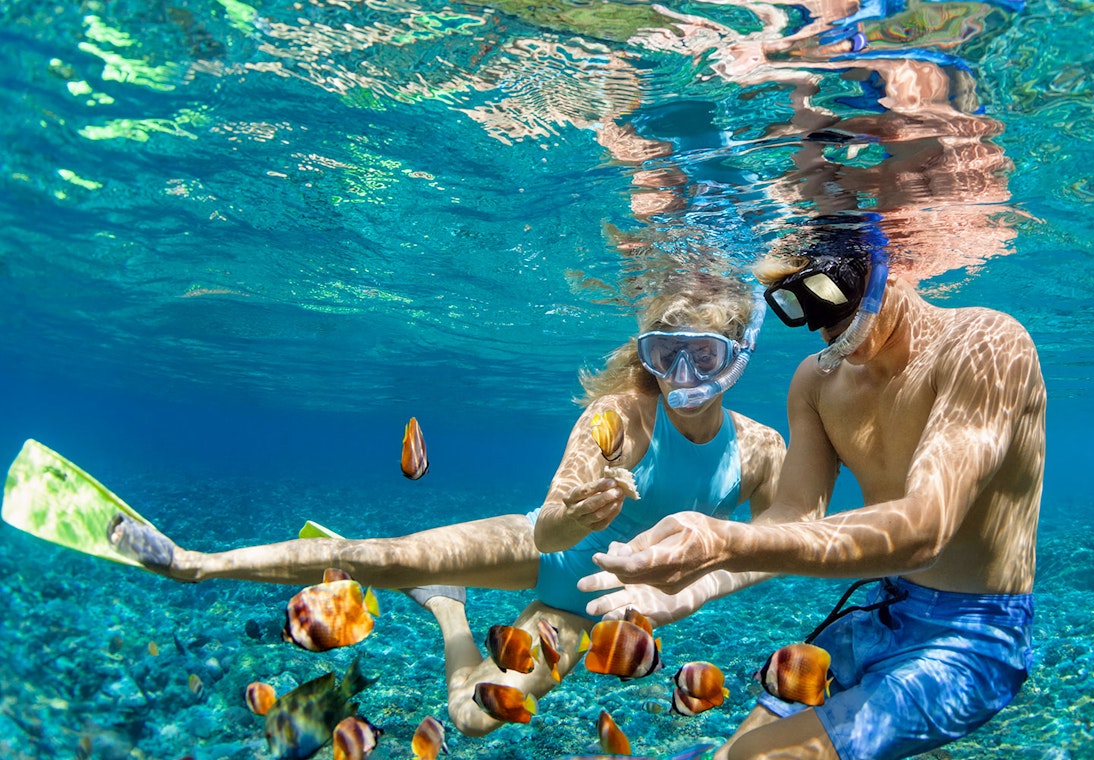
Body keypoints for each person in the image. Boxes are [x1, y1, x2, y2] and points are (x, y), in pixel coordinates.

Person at [108, 271, 786, 737]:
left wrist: (699, 581)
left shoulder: (760, 450)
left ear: (738, 359)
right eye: (664, 354)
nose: (682, 377)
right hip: (536, 548)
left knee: (472, 718)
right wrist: (576, 514)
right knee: (370, 557)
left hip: (584, 611)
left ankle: (445, 605)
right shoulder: (622, 415)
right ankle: (195, 562)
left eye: (703, 355)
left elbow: (783, 544)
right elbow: (550, 525)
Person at [583, 222, 1045, 760]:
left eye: (833, 297)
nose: (825, 329)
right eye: (801, 308)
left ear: (882, 268)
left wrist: (725, 544)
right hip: (882, 610)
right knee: (734, 751)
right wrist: (695, 586)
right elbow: (793, 517)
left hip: (973, 638)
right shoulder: (816, 382)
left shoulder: (986, 343)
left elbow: (927, 528)